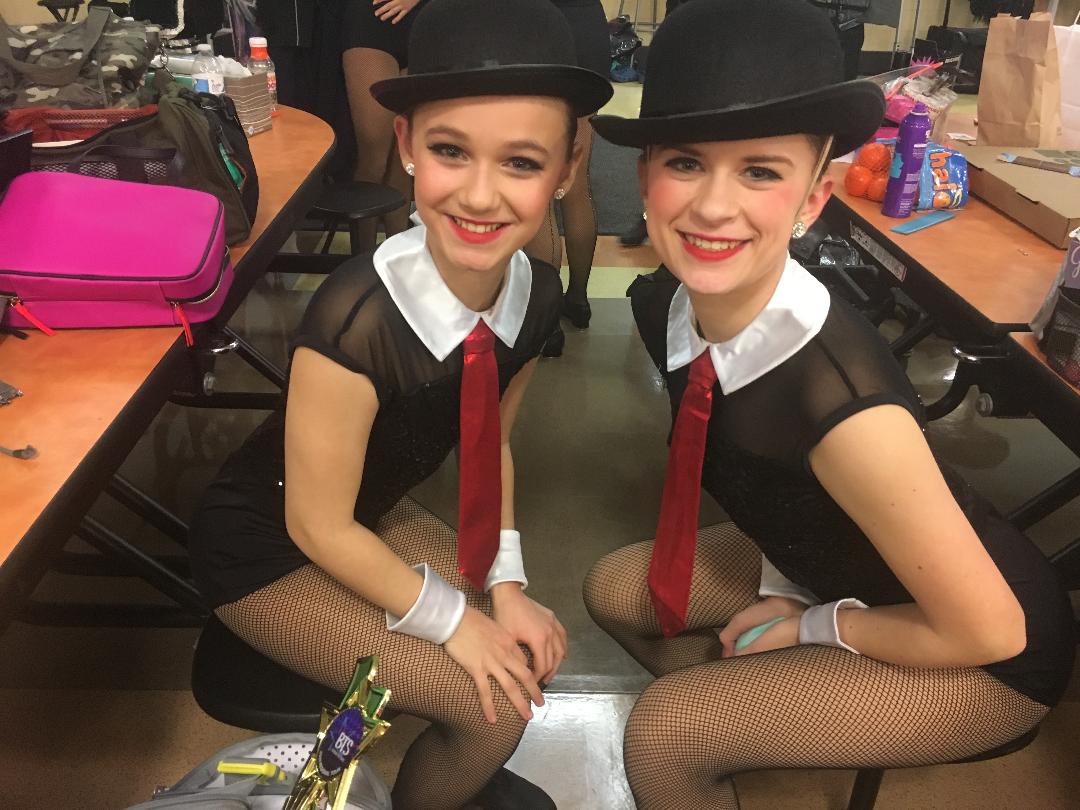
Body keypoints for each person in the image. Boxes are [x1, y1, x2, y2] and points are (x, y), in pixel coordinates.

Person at [583, 2, 1075, 808]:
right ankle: (750, 733)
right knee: (615, 589)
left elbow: (989, 630)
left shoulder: (844, 406)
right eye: (686, 163)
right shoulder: (671, 305)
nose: (713, 207)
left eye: (760, 171)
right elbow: (771, 483)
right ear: (643, 177)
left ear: (814, 199)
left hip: (982, 651)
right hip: (839, 564)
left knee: (663, 733)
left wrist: (812, 627)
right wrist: (788, 586)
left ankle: (717, 735)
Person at [187, 1, 611, 807]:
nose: (480, 195)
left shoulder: (538, 293)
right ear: (409, 144)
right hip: (266, 546)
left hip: (366, 509)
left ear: (567, 166)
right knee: (490, 708)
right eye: (451, 151)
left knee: (514, 654)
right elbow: (316, 525)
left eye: (522, 162)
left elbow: (491, 446)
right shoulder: (356, 319)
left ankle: (445, 777)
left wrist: (508, 584)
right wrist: (456, 623)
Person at [525, 0, 611, 330]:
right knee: (577, 183)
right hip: (585, 25)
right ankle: (578, 299)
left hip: (538, 28)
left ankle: (546, 323)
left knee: (539, 183)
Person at [340, 0, 428, 249]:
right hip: (372, 18)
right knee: (374, 152)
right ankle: (364, 258)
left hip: (423, 20)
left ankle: (397, 255)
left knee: (404, 154)